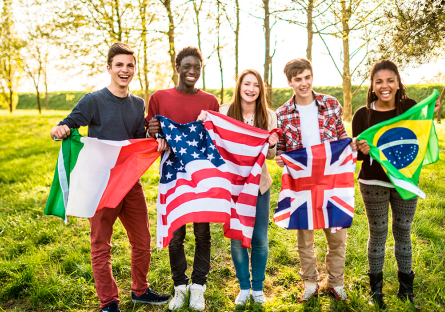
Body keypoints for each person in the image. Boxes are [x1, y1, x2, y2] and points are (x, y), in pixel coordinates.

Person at [49, 42, 171, 312]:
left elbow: (139, 140)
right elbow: (68, 122)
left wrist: (155, 138)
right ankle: (109, 302)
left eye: (129, 65)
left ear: (134, 69)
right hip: (101, 183)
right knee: (101, 244)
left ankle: (140, 290)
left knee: (142, 241)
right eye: (119, 65)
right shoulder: (93, 100)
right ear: (109, 68)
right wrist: (59, 129)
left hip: (130, 182)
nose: (124, 70)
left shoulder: (138, 103)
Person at [352, 59, 441, 308]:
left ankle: (406, 290)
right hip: (373, 182)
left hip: (405, 183)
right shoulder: (363, 114)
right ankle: (376, 292)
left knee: (404, 232)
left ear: (398, 82)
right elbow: (358, 156)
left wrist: (428, 112)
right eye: (379, 81)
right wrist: (362, 149)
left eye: (390, 80)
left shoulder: (410, 108)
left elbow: (419, 141)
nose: (385, 86)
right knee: (377, 234)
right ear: (372, 85)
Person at [275, 58, 355, 303]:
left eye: (307, 77)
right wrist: (281, 158)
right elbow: (281, 148)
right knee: (305, 238)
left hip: (331, 180)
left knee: (337, 235)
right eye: (298, 79)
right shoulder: (282, 113)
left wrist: (349, 145)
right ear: (289, 82)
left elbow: (342, 135)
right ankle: (310, 283)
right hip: (303, 184)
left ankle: (336, 283)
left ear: (312, 77)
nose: (304, 83)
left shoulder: (330, 104)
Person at [197, 69, 279, 306]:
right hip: (231, 187)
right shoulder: (224, 112)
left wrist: (272, 143)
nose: (251, 89)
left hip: (259, 187)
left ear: (260, 90)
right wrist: (205, 121)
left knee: (260, 239)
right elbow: (212, 141)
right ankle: (244, 287)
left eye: (256, 85)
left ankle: (258, 289)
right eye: (247, 84)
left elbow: (271, 156)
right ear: (239, 86)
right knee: (237, 238)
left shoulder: (269, 116)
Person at [146, 46, 219, 311]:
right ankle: (180, 286)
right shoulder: (159, 98)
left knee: (202, 233)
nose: (191, 71)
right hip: (172, 177)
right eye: (186, 66)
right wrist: (151, 130)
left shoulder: (210, 101)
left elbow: (216, 137)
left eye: (196, 67)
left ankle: (198, 287)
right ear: (177, 67)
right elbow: (149, 135)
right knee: (175, 236)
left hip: (201, 177)